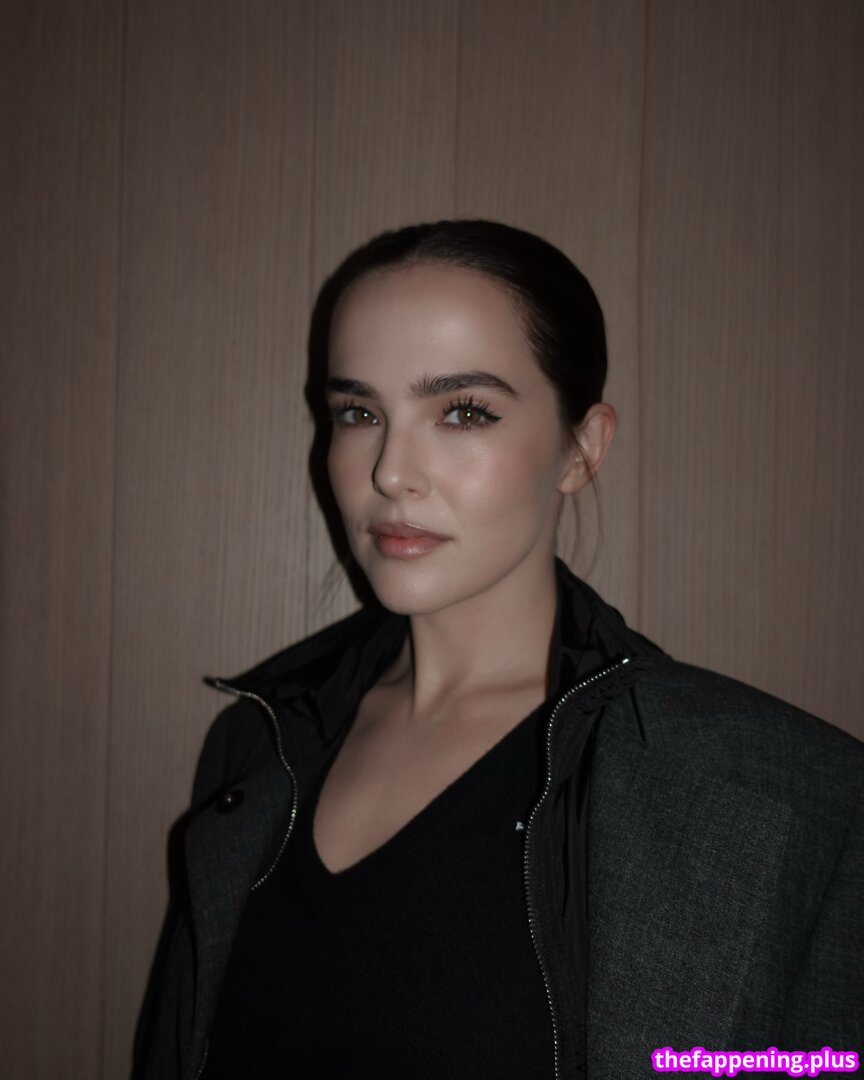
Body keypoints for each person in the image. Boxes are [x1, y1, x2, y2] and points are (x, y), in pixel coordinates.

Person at [133, 220, 864, 1080]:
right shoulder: (255, 750)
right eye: (359, 412)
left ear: (582, 448)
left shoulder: (777, 797)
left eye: (463, 412)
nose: (389, 472)